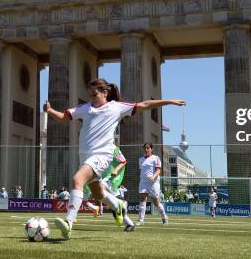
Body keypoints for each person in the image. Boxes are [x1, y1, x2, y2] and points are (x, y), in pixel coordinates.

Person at [45, 78, 185, 239]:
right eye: (90, 95)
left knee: (77, 180)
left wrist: (169, 102)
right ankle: (119, 206)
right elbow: (64, 117)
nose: (92, 98)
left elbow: (144, 105)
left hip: (102, 156)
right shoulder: (86, 108)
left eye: (94, 94)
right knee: (98, 194)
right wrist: (50, 111)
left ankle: (69, 223)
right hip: (85, 157)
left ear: (105, 93)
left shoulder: (116, 108)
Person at [137, 142, 168, 226]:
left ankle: (164, 217)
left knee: (156, 202)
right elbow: (142, 170)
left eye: (148, 148)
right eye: (145, 148)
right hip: (143, 182)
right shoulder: (140, 159)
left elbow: (158, 170)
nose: (146, 149)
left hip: (153, 183)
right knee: (143, 199)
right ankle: (141, 220)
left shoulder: (156, 158)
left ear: (151, 149)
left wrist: (153, 176)